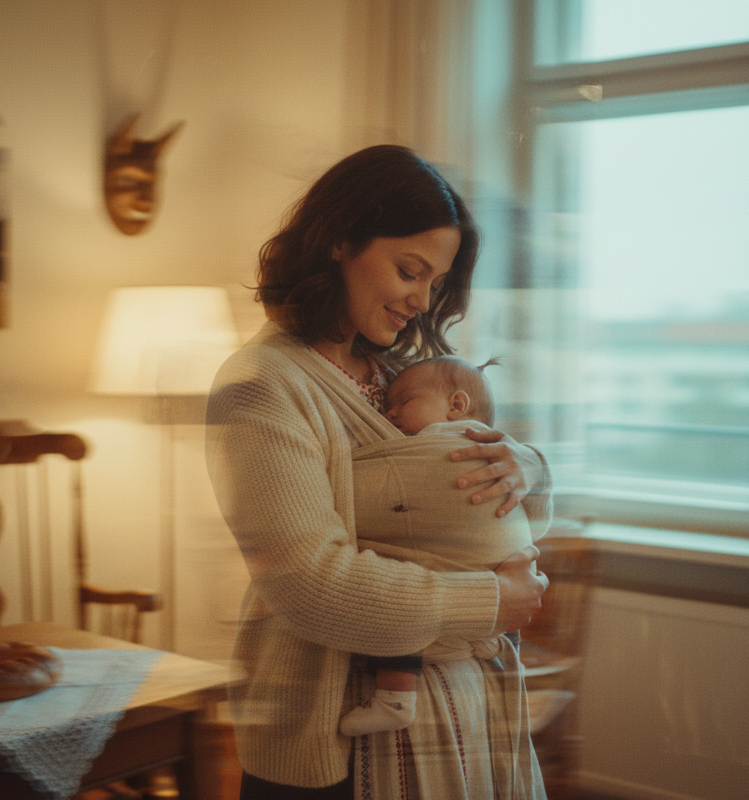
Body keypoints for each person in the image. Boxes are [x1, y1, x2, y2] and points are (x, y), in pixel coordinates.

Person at [206, 144, 552, 799]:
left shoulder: (402, 377)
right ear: (340, 242)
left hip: (456, 719)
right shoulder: (262, 386)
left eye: (435, 282)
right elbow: (311, 584)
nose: (422, 301)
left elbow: (479, 468)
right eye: (409, 270)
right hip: (330, 735)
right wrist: (490, 600)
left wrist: (525, 465)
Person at [340, 355, 547, 737]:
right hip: (504, 577)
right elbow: (538, 519)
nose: (391, 412)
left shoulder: (440, 446)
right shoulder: (500, 450)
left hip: (475, 577)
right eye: (388, 405)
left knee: (396, 589)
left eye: (404, 402)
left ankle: (395, 697)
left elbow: (353, 492)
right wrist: (537, 466)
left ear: (456, 406)